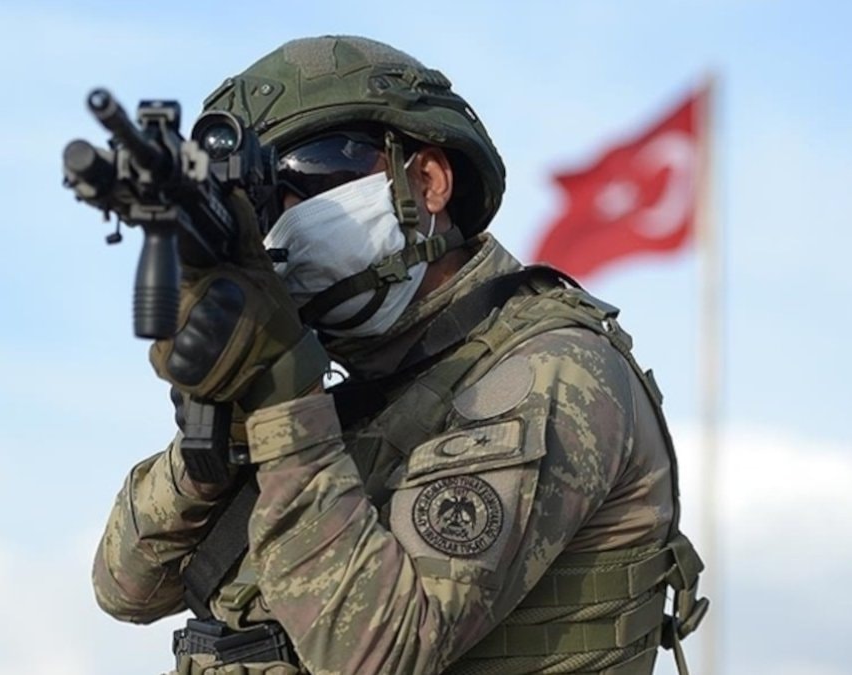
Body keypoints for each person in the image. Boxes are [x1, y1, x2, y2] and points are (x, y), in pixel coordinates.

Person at [92, 35, 708, 675]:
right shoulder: (359, 389)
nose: (281, 223)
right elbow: (126, 585)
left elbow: (378, 652)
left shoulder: (550, 370)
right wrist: (222, 429)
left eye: (304, 178)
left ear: (426, 181)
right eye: (259, 206)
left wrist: (283, 403)